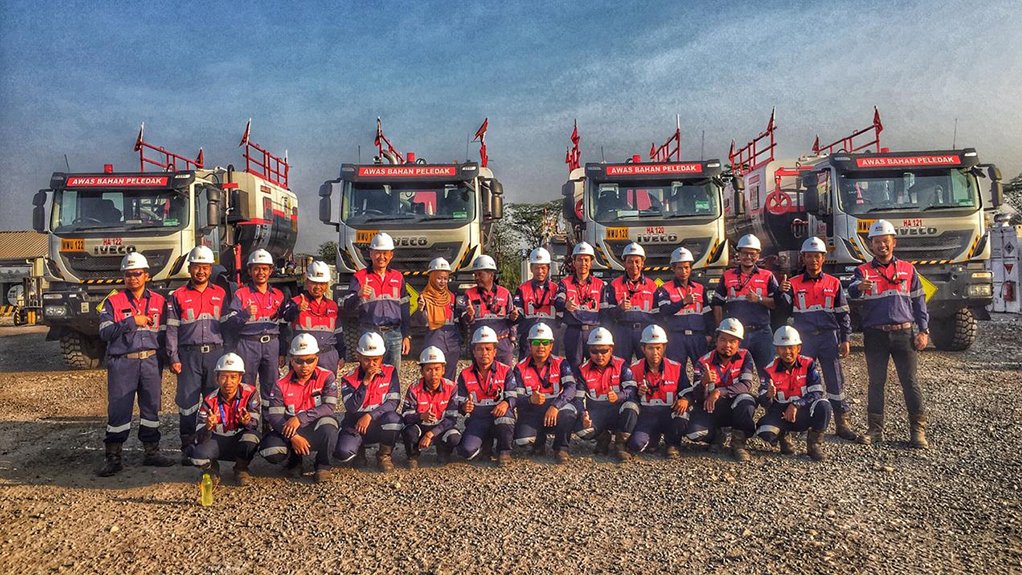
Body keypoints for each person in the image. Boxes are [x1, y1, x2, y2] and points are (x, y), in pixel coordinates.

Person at [848, 219, 930, 448]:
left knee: (910, 382)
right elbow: (852, 290)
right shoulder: (862, 271)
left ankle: (917, 432)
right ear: (870, 245)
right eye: (877, 242)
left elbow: (919, 301)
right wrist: (858, 288)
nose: (881, 246)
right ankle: (875, 431)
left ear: (894, 242)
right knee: (876, 382)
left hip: (904, 333)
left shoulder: (908, 269)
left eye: (886, 241)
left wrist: (923, 330)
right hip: (875, 335)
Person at [779, 237, 867, 444]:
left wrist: (845, 338)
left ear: (823, 258)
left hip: (828, 337)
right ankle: (801, 422)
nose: (813, 260)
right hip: (804, 339)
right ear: (803, 258)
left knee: (835, 380)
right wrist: (781, 293)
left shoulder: (834, 283)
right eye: (809, 256)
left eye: (817, 256)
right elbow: (782, 312)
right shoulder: (792, 283)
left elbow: (843, 313)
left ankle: (842, 423)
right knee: (802, 382)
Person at [96, 252, 174, 476]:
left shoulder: (159, 301)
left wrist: (170, 359)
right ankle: (113, 457)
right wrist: (132, 321)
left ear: (146, 275)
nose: (132, 278)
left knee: (151, 407)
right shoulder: (112, 301)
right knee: (119, 410)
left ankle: (152, 453)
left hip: (150, 361)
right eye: (128, 274)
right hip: (123, 363)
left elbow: (166, 334)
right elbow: (104, 332)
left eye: (137, 274)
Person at [165, 245, 227, 464]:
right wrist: (173, 357)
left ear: (211, 269)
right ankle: (187, 448)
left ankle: (212, 444)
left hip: (215, 355)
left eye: (205, 267)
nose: (201, 271)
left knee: (215, 401)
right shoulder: (177, 295)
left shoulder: (220, 293)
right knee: (188, 403)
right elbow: (172, 329)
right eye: (197, 267)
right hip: (189, 356)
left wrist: (227, 358)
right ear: (190, 268)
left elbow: (228, 327)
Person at [258, 334, 339, 483]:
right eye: (299, 361)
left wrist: (300, 418)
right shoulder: (280, 384)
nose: (305, 366)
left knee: (330, 425)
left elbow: (329, 406)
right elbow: (274, 417)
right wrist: (293, 437)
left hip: (314, 427)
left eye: (310, 360)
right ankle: (294, 461)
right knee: (269, 449)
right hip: (289, 430)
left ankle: (323, 465)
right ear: (292, 360)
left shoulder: (327, 377)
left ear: (316, 358)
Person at [755, 326, 832, 461]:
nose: (787, 352)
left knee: (823, 405)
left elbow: (817, 392)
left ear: (798, 348)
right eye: (783, 348)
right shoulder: (769, 369)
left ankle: (814, 445)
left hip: (803, 411)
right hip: (781, 414)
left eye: (791, 347)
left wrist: (796, 405)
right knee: (764, 431)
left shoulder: (808, 364)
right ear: (777, 349)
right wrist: (768, 395)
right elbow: (762, 400)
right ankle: (784, 437)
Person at [686, 318, 758, 462]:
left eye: (733, 341)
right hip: (711, 409)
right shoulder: (703, 361)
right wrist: (703, 383)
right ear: (716, 340)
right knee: (693, 433)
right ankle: (716, 436)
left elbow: (747, 384)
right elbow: (697, 397)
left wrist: (719, 391)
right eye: (723, 340)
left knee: (747, 399)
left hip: (734, 407)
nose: (727, 345)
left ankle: (738, 444)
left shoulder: (745, 356)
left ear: (739, 343)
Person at [186, 353, 261, 485]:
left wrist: (246, 421)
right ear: (217, 379)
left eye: (233, 377)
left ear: (240, 378)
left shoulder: (250, 393)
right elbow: (198, 435)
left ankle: (241, 469)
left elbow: (254, 425)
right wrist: (208, 426)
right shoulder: (210, 400)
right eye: (224, 377)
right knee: (196, 455)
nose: (228, 382)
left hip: (239, 440)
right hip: (218, 441)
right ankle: (212, 469)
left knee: (252, 438)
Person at [334, 332, 403, 472]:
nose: (371, 364)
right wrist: (365, 382)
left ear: (382, 357)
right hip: (355, 423)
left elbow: (393, 402)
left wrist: (370, 415)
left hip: (378, 422)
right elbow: (351, 407)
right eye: (367, 360)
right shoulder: (349, 378)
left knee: (394, 420)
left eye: (375, 360)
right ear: (359, 356)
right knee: (343, 454)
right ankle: (359, 452)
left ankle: (384, 455)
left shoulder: (390, 372)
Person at [342, 232, 411, 371]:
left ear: (391, 255)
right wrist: (359, 295)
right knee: (369, 373)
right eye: (378, 253)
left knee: (392, 378)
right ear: (371, 253)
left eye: (385, 253)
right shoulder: (360, 277)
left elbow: (404, 308)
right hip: (369, 332)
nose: (382, 257)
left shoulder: (398, 277)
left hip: (394, 334)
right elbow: (346, 307)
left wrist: (406, 335)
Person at [712, 234, 779, 374]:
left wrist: (759, 299)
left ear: (758, 255)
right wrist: (720, 329)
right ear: (739, 254)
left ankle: (767, 396)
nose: (748, 257)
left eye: (752, 254)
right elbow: (717, 303)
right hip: (735, 335)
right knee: (734, 373)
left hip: (762, 333)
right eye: (744, 253)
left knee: (769, 373)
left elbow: (776, 304)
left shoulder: (767, 276)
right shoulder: (727, 275)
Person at [512, 322, 578, 463]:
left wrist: (555, 406)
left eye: (545, 342)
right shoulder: (519, 367)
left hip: (555, 409)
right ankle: (539, 442)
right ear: (530, 345)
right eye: (536, 342)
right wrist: (530, 400)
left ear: (551, 346)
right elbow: (516, 397)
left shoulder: (561, 363)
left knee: (568, 414)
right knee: (522, 440)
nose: (541, 346)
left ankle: (561, 448)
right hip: (532, 411)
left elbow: (571, 387)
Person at [222, 249, 287, 393]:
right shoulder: (241, 294)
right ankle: (248, 415)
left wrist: (282, 351)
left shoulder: (278, 295)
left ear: (270, 271)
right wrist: (244, 314)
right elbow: (230, 324)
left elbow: (284, 326)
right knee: (246, 387)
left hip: (272, 345)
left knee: (272, 388)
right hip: (248, 345)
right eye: (256, 269)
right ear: (250, 271)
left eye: (264, 269)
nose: (261, 272)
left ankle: (270, 416)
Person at [453, 326, 519, 466]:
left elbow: (513, 395)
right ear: (474, 352)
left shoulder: (506, 370)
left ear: (495, 352)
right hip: (478, 419)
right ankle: (485, 444)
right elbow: (458, 402)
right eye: (480, 349)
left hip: (498, 415)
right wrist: (464, 407)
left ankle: (504, 451)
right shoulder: (465, 374)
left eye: (488, 349)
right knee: (466, 451)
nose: (484, 353)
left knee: (505, 419)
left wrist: (506, 403)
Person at [626, 325, 690, 459]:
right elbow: (628, 396)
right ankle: (653, 438)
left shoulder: (676, 367)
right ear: (643, 349)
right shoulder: (634, 369)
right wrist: (637, 392)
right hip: (646, 417)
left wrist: (685, 399)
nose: (655, 352)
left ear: (664, 347)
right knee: (636, 445)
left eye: (658, 348)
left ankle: (673, 443)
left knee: (682, 414)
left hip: (668, 414)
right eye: (650, 348)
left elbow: (688, 390)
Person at [575, 327, 638, 460]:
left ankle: (620, 444)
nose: (599, 355)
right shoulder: (582, 370)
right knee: (580, 428)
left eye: (604, 351)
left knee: (632, 406)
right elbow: (578, 399)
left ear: (611, 349)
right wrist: (583, 416)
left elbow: (632, 390)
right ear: (589, 350)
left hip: (617, 411)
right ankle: (603, 437)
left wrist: (619, 396)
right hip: (596, 413)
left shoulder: (622, 366)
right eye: (594, 351)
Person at [655, 246, 714, 379]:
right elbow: (664, 311)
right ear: (673, 269)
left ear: (691, 268)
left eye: (687, 267)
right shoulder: (665, 289)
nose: (684, 271)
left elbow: (707, 313)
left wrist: (710, 334)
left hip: (698, 337)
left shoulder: (699, 288)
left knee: (703, 373)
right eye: (680, 268)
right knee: (677, 374)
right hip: (676, 337)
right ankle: (681, 398)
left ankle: (702, 398)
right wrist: (683, 302)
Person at [400, 346, 461, 468]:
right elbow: (405, 416)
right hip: (420, 427)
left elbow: (451, 419)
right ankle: (412, 455)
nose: (434, 374)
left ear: (443, 370)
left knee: (455, 437)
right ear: (422, 371)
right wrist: (421, 416)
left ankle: (443, 452)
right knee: (409, 432)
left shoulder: (451, 387)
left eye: (437, 369)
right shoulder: (414, 388)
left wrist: (431, 434)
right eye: (429, 370)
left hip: (441, 428)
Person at [281, 260, 346, 374]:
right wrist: (297, 309)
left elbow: (338, 333)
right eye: (314, 282)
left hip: (328, 357)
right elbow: (285, 317)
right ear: (307, 282)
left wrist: (342, 355)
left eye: (322, 283)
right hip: (303, 359)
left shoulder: (332, 306)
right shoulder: (296, 302)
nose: (318, 287)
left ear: (327, 284)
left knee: (328, 391)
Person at [603, 242, 658, 362]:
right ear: (624, 264)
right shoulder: (614, 285)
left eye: (637, 261)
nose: (634, 265)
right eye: (630, 261)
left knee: (647, 366)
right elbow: (608, 314)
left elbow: (658, 315)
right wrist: (620, 308)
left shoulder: (652, 285)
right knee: (620, 365)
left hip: (645, 331)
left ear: (642, 263)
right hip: (622, 331)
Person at [555, 242, 607, 369]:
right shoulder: (565, 283)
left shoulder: (600, 285)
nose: (583, 264)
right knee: (574, 366)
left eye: (586, 260)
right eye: (579, 260)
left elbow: (605, 312)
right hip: (573, 330)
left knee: (596, 367)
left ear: (591, 263)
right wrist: (565, 304)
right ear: (574, 262)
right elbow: (557, 301)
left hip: (593, 330)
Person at [461, 254, 516, 365]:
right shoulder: (469, 294)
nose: (476, 278)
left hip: (502, 345)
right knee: (481, 379)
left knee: (505, 378)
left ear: (491, 275)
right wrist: (470, 315)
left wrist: (513, 339)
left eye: (480, 274)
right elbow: (465, 321)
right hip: (480, 347)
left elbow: (512, 320)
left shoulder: (505, 293)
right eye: (475, 274)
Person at [413, 257, 461, 381]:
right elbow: (421, 322)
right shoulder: (424, 297)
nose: (442, 282)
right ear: (432, 278)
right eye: (439, 278)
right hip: (435, 339)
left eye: (445, 278)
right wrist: (421, 309)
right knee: (434, 376)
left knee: (450, 379)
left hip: (452, 341)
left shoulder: (451, 297)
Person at [513, 247, 558, 359]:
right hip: (529, 338)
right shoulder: (522, 289)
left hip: (550, 338)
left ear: (548, 268)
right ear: (531, 268)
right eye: (536, 268)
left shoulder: (556, 289)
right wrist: (514, 315)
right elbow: (517, 312)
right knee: (525, 369)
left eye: (543, 268)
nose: (540, 271)